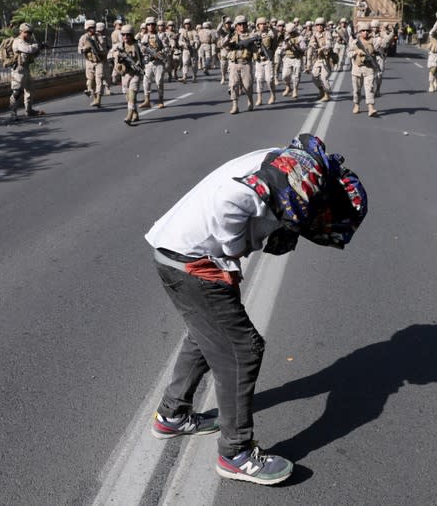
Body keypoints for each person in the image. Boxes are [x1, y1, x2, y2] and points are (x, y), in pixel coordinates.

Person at [144, 133, 368, 486]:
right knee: (241, 349)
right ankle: (236, 454)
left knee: (207, 335)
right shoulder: (299, 180)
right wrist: (228, 253)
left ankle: (172, 415)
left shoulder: (299, 168)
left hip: (174, 249)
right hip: (191, 260)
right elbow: (230, 199)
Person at [9, 23, 44, 120]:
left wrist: (40, 48)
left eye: (30, 33)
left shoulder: (27, 42)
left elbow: (31, 54)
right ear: (21, 31)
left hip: (26, 68)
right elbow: (28, 50)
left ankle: (29, 110)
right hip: (18, 70)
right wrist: (38, 46)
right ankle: (13, 113)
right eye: (27, 32)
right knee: (17, 92)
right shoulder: (18, 42)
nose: (29, 34)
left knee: (30, 90)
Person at [111, 24, 144, 125]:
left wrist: (140, 63)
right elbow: (110, 55)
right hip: (125, 74)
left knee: (132, 93)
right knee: (127, 95)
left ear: (132, 35)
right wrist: (116, 55)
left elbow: (146, 57)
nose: (126, 37)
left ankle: (129, 115)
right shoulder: (119, 46)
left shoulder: (138, 45)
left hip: (136, 73)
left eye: (128, 35)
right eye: (124, 35)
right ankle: (135, 113)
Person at [222, 15, 256, 114]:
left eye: (244, 24)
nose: (242, 26)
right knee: (233, 85)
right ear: (236, 26)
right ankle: (235, 105)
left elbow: (255, 50)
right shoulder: (232, 35)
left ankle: (250, 99)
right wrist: (228, 37)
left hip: (246, 63)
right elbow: (222, 45)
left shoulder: (251, 36)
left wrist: (254, 44)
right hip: (233, 63)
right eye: (239, 24)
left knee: (248, 85)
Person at [349, 22, 378, 117]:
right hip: (357, 69)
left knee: (369, 88)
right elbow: (348, 54)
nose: (365, 32)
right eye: (363, 31)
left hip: (369, 69)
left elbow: (381, 46)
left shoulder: (373, 41)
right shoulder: (354, 41)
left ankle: (371, 107)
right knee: (356, 90)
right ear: (360, 32)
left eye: (367, 31)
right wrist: (356, 52)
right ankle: (356, 104)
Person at [78, 20, 108, 107]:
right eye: (90, 28)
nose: (92, 29)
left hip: (99, 61)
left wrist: (98, 47)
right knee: (90, 80)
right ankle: (92, 94)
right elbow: (79, 50)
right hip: (89, 62)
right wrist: (86, 48)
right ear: (87, 28)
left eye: (93, 27)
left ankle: (98, 99)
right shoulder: (83, 38)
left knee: (99, 80)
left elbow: (104, 49)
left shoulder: (99, 37)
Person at [140, 17, 167, 109]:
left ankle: (160, 100)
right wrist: (144, 50)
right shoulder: (144, 36)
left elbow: (167, 47)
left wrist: (160, 53)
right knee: (146, 81)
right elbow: (141, 48)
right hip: (148, 63)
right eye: (148, 25)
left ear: (155, 26)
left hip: (158, 62)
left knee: (159, 82)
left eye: (152, 24)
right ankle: (147, 100)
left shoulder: (161, 36)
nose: (150, 26)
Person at [308, 17, 333, 102]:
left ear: (324, 26)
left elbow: (329, 45)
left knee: (324, 77)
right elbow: (311, 43)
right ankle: (321, 91)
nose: (319, 26)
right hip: (318, 59)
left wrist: (322, 48)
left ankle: (327, 95)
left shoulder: (327, 33)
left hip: (326, 59)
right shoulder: (314, 34)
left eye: (321, 25)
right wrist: (313, 44)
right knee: (314, 77)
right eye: (318, 25)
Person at [253, 17, 277, 106]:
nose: (262, 25)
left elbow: (275, 35)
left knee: (269, 79)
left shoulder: (270, 34)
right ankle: (259, 98)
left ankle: (273, 95)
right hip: (259, 60)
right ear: (257, 26)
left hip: (268, 59)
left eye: (264, 24)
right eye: (260, 24)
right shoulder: (254, 35)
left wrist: (272, 27)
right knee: (259, 79)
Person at [280, 22, 305, 100]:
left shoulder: (300, 37)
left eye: (291, 32)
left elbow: (303, 48)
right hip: (287, 58)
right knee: (285, 76)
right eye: (288, 32)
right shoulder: (286, 37)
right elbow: (283, 47)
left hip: (297, 58)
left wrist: (295, 46)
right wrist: (287, 46)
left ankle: (295, 90)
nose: (290, 34)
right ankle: (288, 87)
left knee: (296, 76)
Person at [179, 19, 200, 83]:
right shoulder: (183, 32)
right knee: (185, 63)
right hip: (186, 50)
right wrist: (183, 44)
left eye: (188, 24)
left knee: (194, 64)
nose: (187, 25)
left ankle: (194, 76)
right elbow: (180, 41)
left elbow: (197, 41)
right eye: (185, 24)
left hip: (193, 50)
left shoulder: (194, 32)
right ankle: (184, 76)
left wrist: (193, 44)